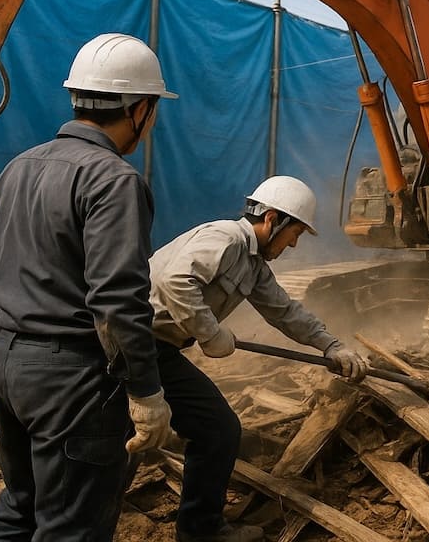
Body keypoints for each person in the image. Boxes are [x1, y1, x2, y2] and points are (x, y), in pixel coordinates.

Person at [0, 33, 177, 540]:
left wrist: (12, 347)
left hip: (4, 366)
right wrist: (146, 392)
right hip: (72, 382)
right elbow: (116, 301)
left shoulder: (19, 167)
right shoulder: (114, 179)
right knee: (72, 527)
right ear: (140, 108)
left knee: (20, 505)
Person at [147, 175, 368, 542]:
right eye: (293, 232)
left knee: (217, 430)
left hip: (159, 351)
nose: (294, 244)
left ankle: (200, 532)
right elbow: (175, 281)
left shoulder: (252, 265)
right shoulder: (226, 239)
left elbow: (285, 312)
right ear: (271, 219)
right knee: (114, 443)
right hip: (129, 346)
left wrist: (332, 346)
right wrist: (210, 332)